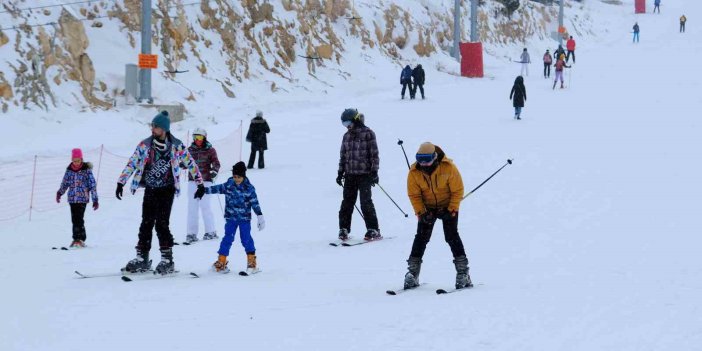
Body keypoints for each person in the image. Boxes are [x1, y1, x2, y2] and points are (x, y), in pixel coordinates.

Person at [116, 111, 204, 275]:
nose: (152, 129)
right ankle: (142, 257)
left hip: (167, 189)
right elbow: (132, 162)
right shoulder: (145, 145)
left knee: (162, 224)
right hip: (151, 189)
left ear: (164, 129)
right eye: (152, 126)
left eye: (155, 126)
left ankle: (167, 260)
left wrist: (200, 183)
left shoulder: (176, 145)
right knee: (146, 223)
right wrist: (121, 182)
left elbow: (190, 163)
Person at [403, 142, 472, 290]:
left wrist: (451, 209)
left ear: (434, 157)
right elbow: (414, 195)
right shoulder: (414, 172)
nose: (424, 164)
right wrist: (422, 212)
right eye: (420, 159)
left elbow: (457, 190)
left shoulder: (449, 168)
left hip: (447, 206)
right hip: (427, 208)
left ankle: (463, 273)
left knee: (452, 236)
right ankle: (412, 273)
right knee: (421, 238)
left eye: (427, 159)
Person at [208, 162, 265, 275]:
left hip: (244, 219)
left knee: (246, 239)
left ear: (243, 176)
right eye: (234, 177)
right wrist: (203, 190)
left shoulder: (249, 188)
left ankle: (251, 264)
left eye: (239, 177)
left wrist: (259, 215)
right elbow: (218, 188)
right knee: (227, 239)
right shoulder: (229, 184)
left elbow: (254, 203)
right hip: (231, 219)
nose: (236, 179)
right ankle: (221, 262)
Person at [336, 108, 381, 241]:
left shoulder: (368, 133)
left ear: (355, 119)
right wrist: (340, 172)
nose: (347, 126)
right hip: (350, 175)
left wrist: (374, 172)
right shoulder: (346, 136)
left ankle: (373, 229)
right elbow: (343, 156)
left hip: (365, 174)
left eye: (348, 123)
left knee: (365, 202)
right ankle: (343, 229)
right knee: (347, 203)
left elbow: (374, 155)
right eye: (344, 124)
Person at [56, 148, 98, 248]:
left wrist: (95, 199)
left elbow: (92, 185)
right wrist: (59, 193)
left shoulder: (86, 170)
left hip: (83, 198)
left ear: (81, 159)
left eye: (78, 160)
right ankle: (79, 239)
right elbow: (65, 183)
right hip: (72, 199)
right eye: (74, 161)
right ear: (72, 160)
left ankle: (78, 239)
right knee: (75, 219)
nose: (76, 163)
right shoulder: (69, 170)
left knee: (78, 218)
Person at [185, 127, 221, 244]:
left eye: (200, 137)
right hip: (193, 181)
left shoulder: (210, 150)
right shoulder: (190, 150)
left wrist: (214, 171)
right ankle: (191, 234)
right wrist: (182, 164)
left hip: (206, 180)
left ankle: (210, 231)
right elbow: (184, 162)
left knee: (205, 206)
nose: (197, 140)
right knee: (192, 208)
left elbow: (216, 163)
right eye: (195, 137)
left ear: (204, 138)